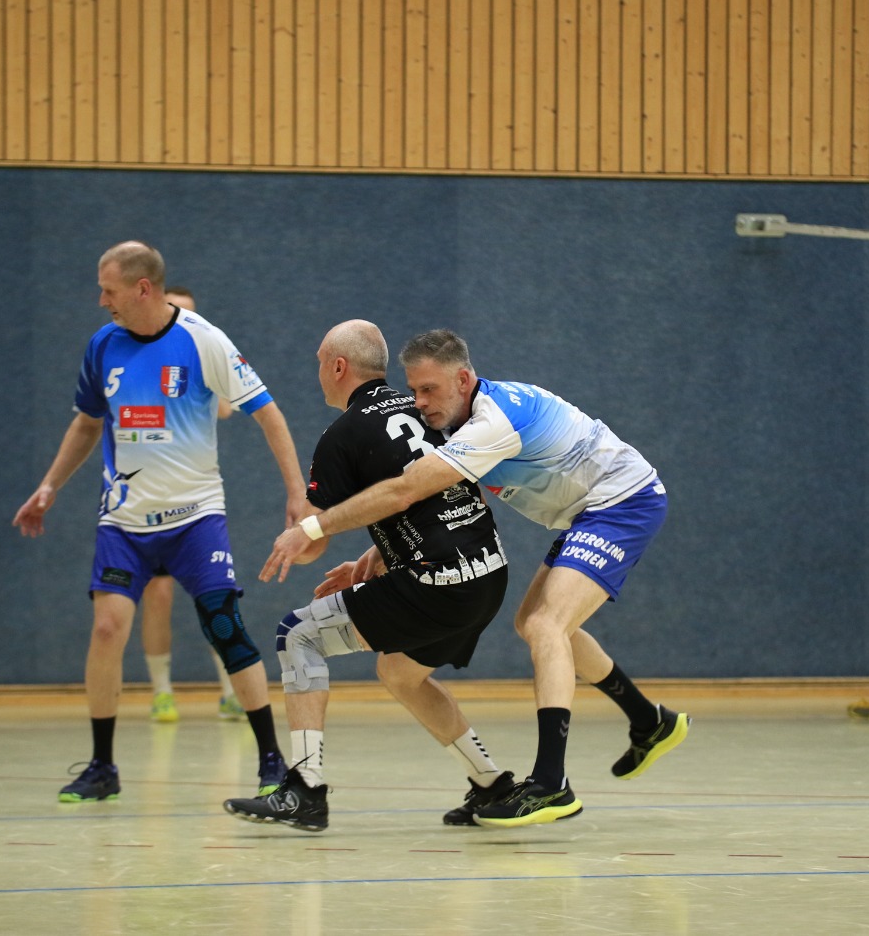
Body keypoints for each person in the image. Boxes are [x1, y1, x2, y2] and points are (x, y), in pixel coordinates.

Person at [261, 329, 688, 828]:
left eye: (429, 390)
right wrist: (377, 553)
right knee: (537, 624)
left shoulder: (491, 424)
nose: (420, 402)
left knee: (545, 626)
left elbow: (405, 490)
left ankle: (551, 783)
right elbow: (443, 498)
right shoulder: (456, 421)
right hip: (585, 512)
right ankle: (647, 721)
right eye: (413, 389)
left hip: (623, 502)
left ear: (463, 380)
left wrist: (311, 527)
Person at [14, 240, 307, 803]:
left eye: (109, 290)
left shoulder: (204, 340)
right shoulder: (103, 345)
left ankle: (271, 759)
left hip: (196, 517)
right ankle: (102, 767)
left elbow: (268, 413)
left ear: (142, 288)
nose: (102, 301)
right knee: (107, 629)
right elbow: (86, 423)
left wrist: (297, 493)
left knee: (224, 625)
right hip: (124, 521)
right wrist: (49, 486)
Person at [223, 320, 516, 832]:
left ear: (338, 367)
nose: (318, 372)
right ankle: (493, 784)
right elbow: (430, 496)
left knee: (298, 635)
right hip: (489, 574)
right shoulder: (424, 407)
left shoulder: (342, 435)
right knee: (399, 672)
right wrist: (381, 552)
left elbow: (314, 545)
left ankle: (304, 790)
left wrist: (298, 530)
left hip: (437, 584)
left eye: (320, 362)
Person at [139, 285, 243, 724]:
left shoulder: (204, 355)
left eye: (190, 313)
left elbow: (226, 409)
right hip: (149, 499)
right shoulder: (139, 358)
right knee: (158, 595)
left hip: (196, 502)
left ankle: (231, 691)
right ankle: (162, 691)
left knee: (214, 597)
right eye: (176, 311)